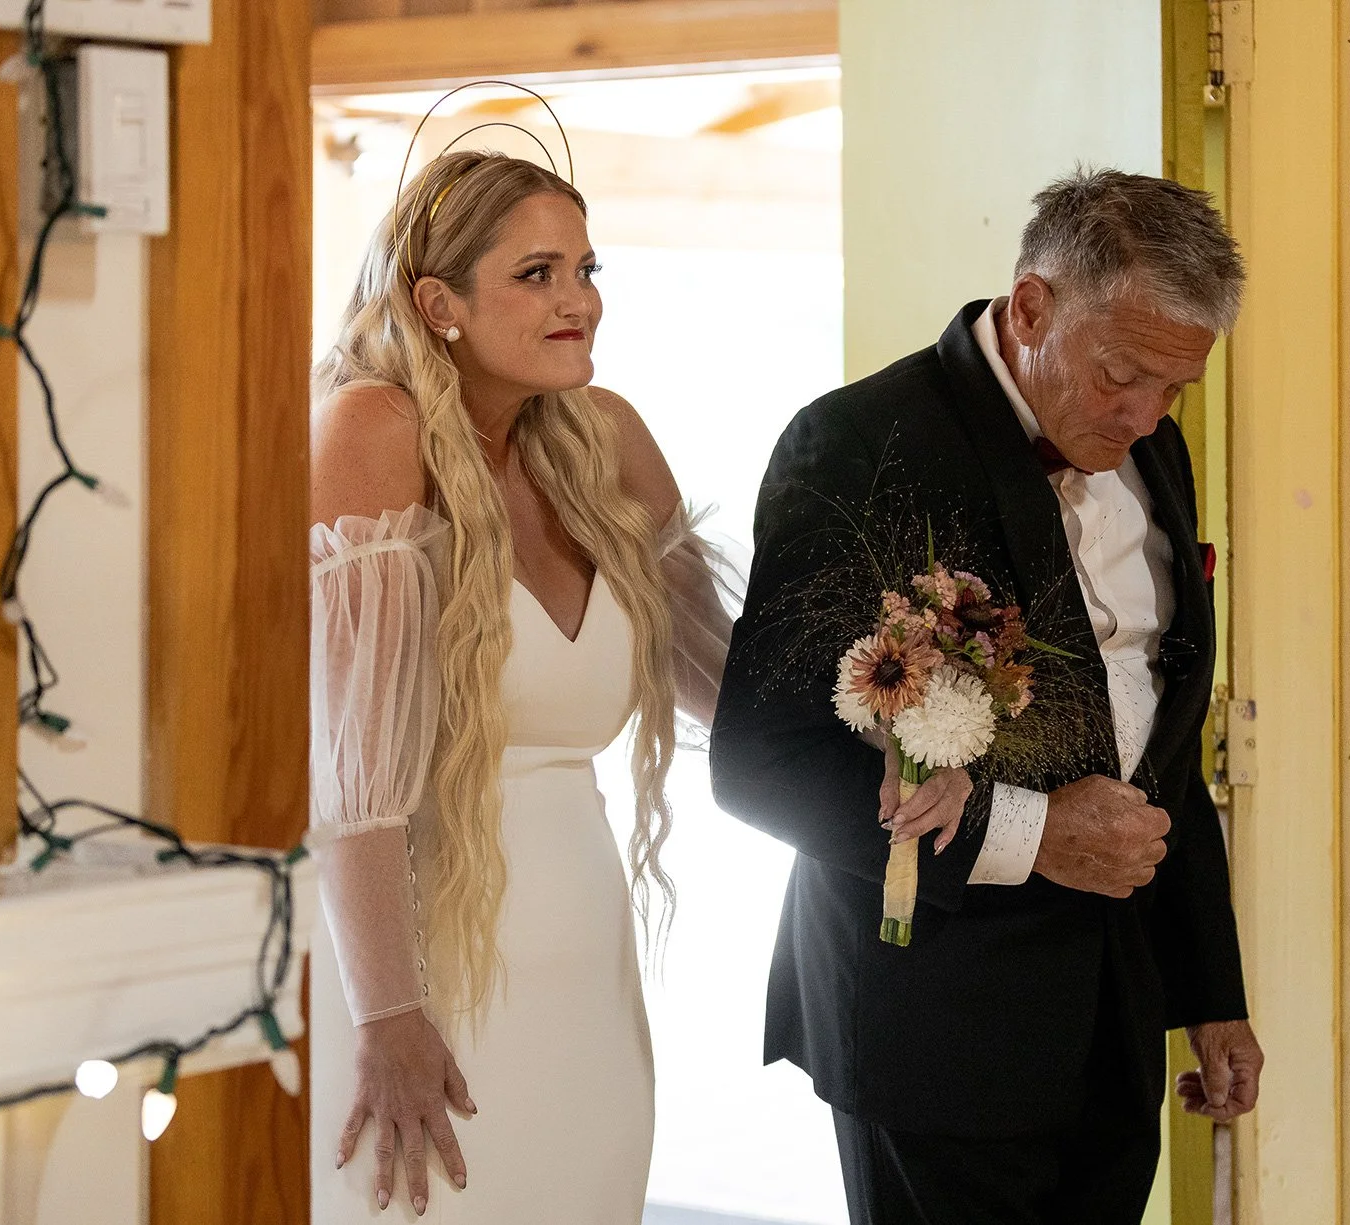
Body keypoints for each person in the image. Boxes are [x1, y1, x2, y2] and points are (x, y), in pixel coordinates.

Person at [710, 168, 1264, 1224]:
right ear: (1031, 306)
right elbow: (761, 762)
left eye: (1174, 389)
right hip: (932, 1025)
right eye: (1121, 375)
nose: (1144, 416)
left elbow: (1161, 734)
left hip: (1112, 1022)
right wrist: (1032, 835)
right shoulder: (858, 445)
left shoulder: (1153, 446)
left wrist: (1209, 992)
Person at [307, 149, 734, 1223]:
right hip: (424, 969)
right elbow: (351, 779)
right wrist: (387, 1015)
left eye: (586, 269)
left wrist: (900, 712)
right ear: (437, 304)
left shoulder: (605, 437)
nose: (578, 301)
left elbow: (724, 679)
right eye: (536, 274)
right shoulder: (371, 429)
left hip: (586, 972)